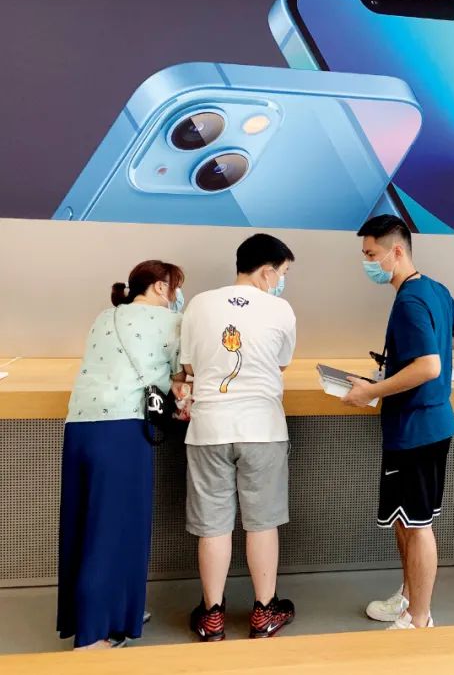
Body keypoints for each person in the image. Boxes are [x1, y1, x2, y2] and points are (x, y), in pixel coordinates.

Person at [345, 215, 454, 630]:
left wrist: (372, 390)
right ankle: (407, 597)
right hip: (430, 425)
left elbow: (429, 366)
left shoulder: (409, 302)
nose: (367, 263)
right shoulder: (436, 289)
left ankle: (419, 618)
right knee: (405, 519)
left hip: (417, 428)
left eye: (371, 254)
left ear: (396, 251)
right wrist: (413, 359)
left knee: (417, 526)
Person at [57, 261, 186, 649]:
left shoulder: (105, 316)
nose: (177, 295)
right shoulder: (171, 322)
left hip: (79, 427)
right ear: (161, 287)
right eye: (176, 287)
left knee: (83, 526)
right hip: (122, 430)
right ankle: (94, 635)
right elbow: (181, 375)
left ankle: (110, 611)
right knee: (115, 530)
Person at [182, 234, 297, 641]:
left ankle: (212, 615)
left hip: (209, 428)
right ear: (266, 271)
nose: (281, 281)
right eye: (282, 273)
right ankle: (264, 613)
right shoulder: (281, 309)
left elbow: (189, 367)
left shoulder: (198, 304)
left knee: (213, 525)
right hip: (262, 429)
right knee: (261, 523)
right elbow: (280, 366)